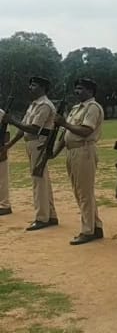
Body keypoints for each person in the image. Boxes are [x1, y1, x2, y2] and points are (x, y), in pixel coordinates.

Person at [1, 76, 58, 231]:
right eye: (30, 85)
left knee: (38, 180)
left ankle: (42, 217)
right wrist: (9, 145)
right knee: (42, 180)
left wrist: (12, 120)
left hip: (39, 143)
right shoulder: (33, 105)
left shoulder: (44, 105)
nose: (30, 88)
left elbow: (33, 128)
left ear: (43, 88)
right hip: (31, 143)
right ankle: (50, 215)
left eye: (34, 85)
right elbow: (23, 129)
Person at [53, 78, 105, 245]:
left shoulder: (93, 108)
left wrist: (65, 123)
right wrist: (54, 152)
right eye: (76, 88)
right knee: (79, 190)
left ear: (90, 91)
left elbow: (84, 131)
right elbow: (65, 134)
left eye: (80, 88)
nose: (77, 91)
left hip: (84, 149)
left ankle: (87, 230)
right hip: (72, 150)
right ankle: (95, 226)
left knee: (84, 192)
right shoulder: (76, 108)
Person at [0, 108, 11, 216]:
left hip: (1, 148)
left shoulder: (1, 114)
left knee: (2, 178)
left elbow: (6, 134)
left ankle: (4, 205)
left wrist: (4, 150)